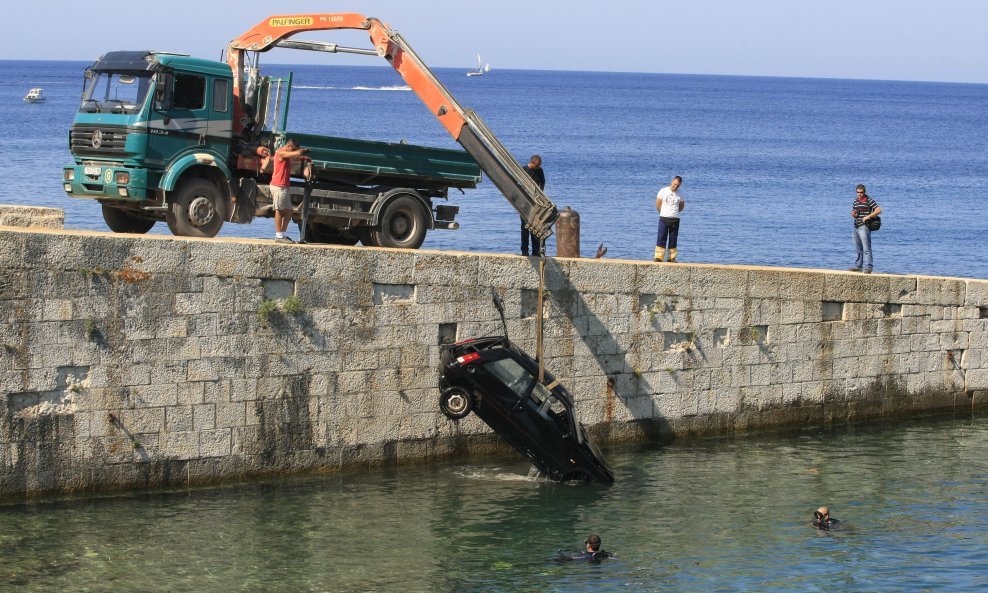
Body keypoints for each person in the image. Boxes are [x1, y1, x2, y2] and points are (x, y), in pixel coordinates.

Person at [271, 138, 310, 243]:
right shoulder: (281, 152)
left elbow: (294, 157)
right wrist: (301, 150)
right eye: (293, 150)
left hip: (284, 187)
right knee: (279, 210)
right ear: (289, 146)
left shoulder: (287, 155)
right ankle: (278, 236)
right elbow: (293, 155)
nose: (293, 152)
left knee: (289, 211)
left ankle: (283, 234)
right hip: (278, 186)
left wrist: (304, 157)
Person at [849, 184, 882, 273]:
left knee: (867, 248)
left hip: (864, 227)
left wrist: (868, 216)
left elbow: (878, 210)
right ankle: (858, 266)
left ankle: (869, 267)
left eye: (861, 192)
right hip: (855, 226)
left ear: (864, 192)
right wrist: (853, 214)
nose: (859, 194)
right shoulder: (855, 201)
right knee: (858, 248)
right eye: (858, 192)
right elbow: (855, 212)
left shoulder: (869, 200)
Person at [655, 175, 686, 262]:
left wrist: (674, 212)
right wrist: (663, 213)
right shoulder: (663, 191)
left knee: (673, 239)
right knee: (661, 237)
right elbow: (658, 205)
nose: (675, 187)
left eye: (678, 185)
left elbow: (681, 206)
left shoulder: (681, 194)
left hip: (675, 219)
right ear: (672, 181)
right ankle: (658, 257)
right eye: (674, 184)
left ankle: (671, 258)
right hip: (663, 218)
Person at [520, 155, 546, 256]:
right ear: (532, 163)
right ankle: (524, 250)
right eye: (537, 166)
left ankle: (536, 251)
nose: (538, 168)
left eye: (539, 166)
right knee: (525, 227)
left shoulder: (540, 171)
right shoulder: (523, 170)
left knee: (536, 227)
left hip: (536, 203)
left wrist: (540, 195)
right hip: (524, 203)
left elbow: (542, 183)